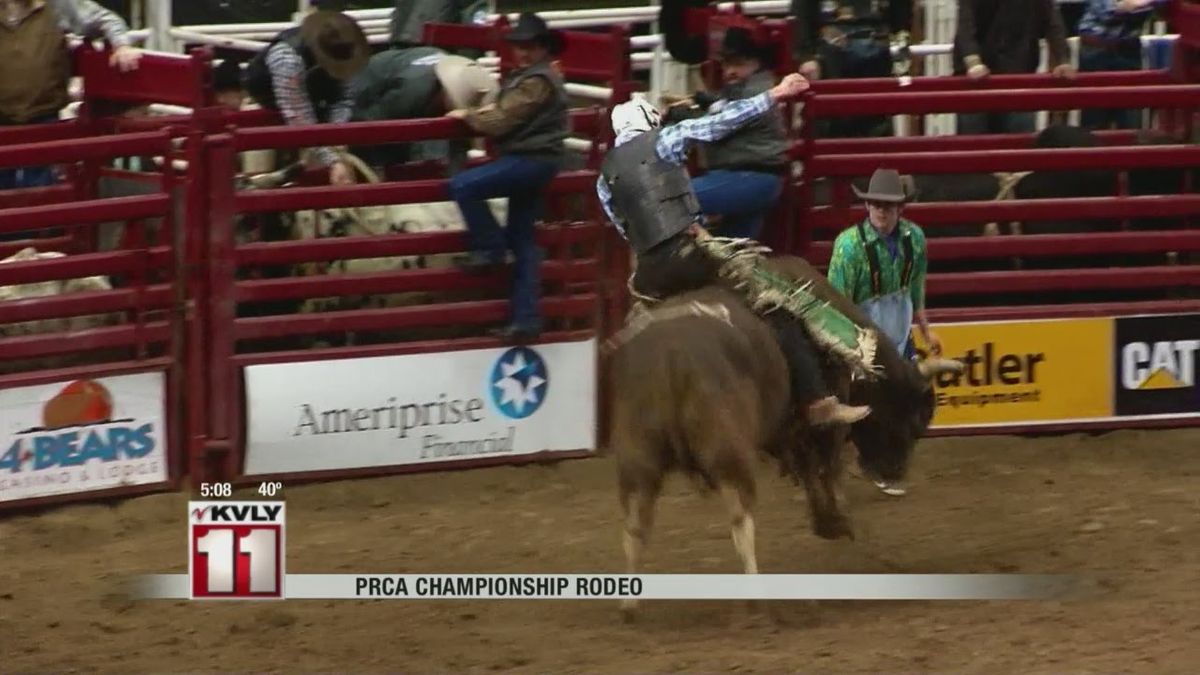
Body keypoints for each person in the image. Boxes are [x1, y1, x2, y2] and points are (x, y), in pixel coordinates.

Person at [597, 74, 874, 428]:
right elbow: (721, 123)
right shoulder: (665, 140)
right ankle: (816, 398)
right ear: (650, 122)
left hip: (651, 272)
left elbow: (625, 227)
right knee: (774, 302)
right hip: (690, 254)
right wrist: (776, 94)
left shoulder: (604, 179)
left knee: (642, 325)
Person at [444, 12, 568, 343]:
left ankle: (489, 247)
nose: (522, 52)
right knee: (524, 240)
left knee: (463, 185)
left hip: (530, 159)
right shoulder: (534, 78)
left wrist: (468, 116)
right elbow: (505, 113)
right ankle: (526, 319)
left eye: (529, 46)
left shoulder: (537, 81)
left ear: (542, 48)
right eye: (519, 46)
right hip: (535, 160)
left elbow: (501, 120)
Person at [826, 168, 939, 495]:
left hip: (899, 328)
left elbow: (915, 287)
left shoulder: (914, 238)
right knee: (861, 403)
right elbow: (837, 301)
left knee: (902, 399)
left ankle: (883, 463)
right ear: (867, 206)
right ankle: (842, 463)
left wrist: (926, 330)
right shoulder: (848, 246)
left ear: (900, 209)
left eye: (887, 206)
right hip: (861, 330)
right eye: (875, 204)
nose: (880, 210)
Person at [0, 0, 141, 190]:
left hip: (42, 116)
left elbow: (106, 19)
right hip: (2, 118)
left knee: (40, 191)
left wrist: (122, 46)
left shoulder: (58, 4)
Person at [243, 8, 369, 186]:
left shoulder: (340, 51)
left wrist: (337, 138)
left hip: (311, 111)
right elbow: (299, 119)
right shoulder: (287, 58)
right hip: (268, 106)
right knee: (259, 165)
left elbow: (344, 98)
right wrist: (334, 158)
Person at [689, 26, 791, 241]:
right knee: (736, 248)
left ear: (756, 63)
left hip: (750, 177)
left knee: (673, 199)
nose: (730, 71)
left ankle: (690, 258)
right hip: (748, 178)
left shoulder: (759, 92)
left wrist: (686, 116)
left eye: (739, 63)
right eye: (727, 64)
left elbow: (721, 123)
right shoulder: (744, 90)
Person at [348, 47, 497, 170]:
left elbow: (459, 137)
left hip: (393, 83)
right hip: (363, 93)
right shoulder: (411, 92)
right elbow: (372, 121)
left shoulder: (454, 75)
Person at [790, 0, 913, 138]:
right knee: (830, 120)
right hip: (830, 53)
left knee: (876, 120)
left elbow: (902, 20)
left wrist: (901, 63)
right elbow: (801, 13)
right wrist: (806, 56)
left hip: (877, 51)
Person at [952, 0, 1075, 134]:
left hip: (1018, 73)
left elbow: (1052, 22)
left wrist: (1063, 60)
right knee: (973, 140)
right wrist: (973, 61)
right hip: (977, 79)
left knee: (1020, 136)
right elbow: (966, 26)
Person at [1076, 0, 1169, 130]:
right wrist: (1141, 4)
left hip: (1128, 48)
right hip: (1096, 49)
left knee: (1130, 114)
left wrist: (1138, 4)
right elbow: (1110, 11)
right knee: (1095, 117)